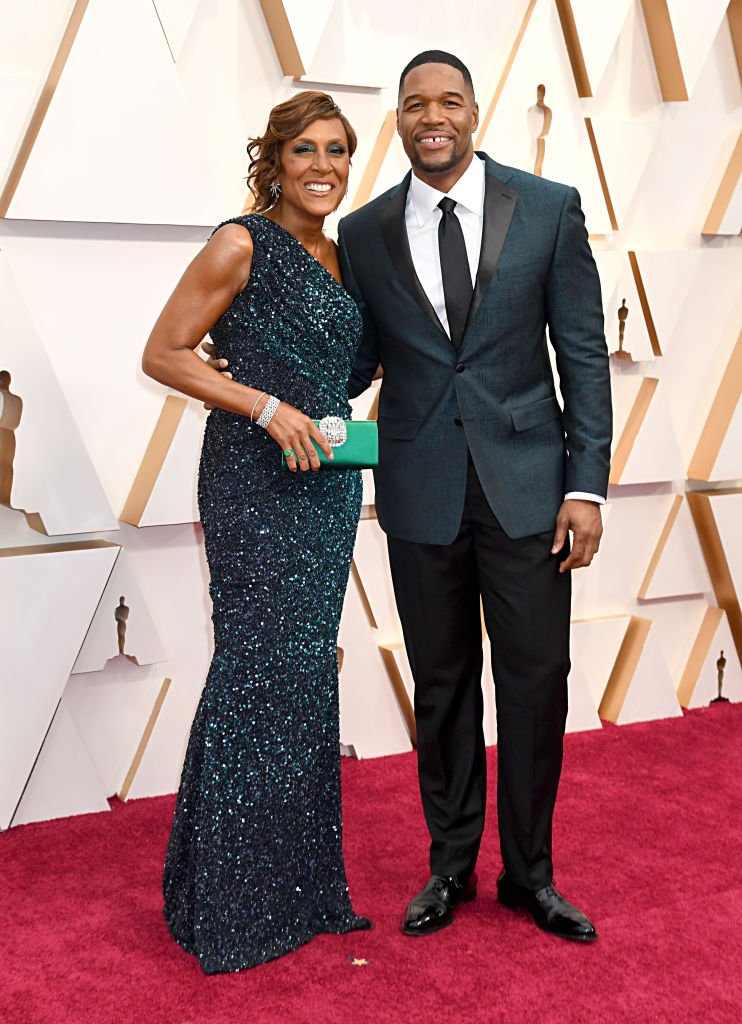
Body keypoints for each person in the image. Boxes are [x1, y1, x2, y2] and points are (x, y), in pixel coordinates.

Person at [337, 51, 612, 942]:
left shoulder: (550, 206)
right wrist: (262, 362)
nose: (432, 116)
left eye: (447, 100)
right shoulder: (364, 231)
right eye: (414, 103)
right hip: (421, 493)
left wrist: (585, 485)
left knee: (537, 682)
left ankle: (530, 875)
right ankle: (449, 864)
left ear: (473, 108)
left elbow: (582, 354)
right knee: (442, 685)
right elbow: (358, 361)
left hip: (531, 492)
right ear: (400, 119)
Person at [142, 91, 371, 974]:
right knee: (253, 669)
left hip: (327, 487)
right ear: (274, 161)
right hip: (250, 481)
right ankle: (227, 904)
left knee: (307, 673)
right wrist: (263, 404)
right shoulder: (241, 242)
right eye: (305, 150)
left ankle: (303, 893)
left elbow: (342, 372)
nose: (323, 166)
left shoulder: (345, 259)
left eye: (339, 151)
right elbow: (162, 352)